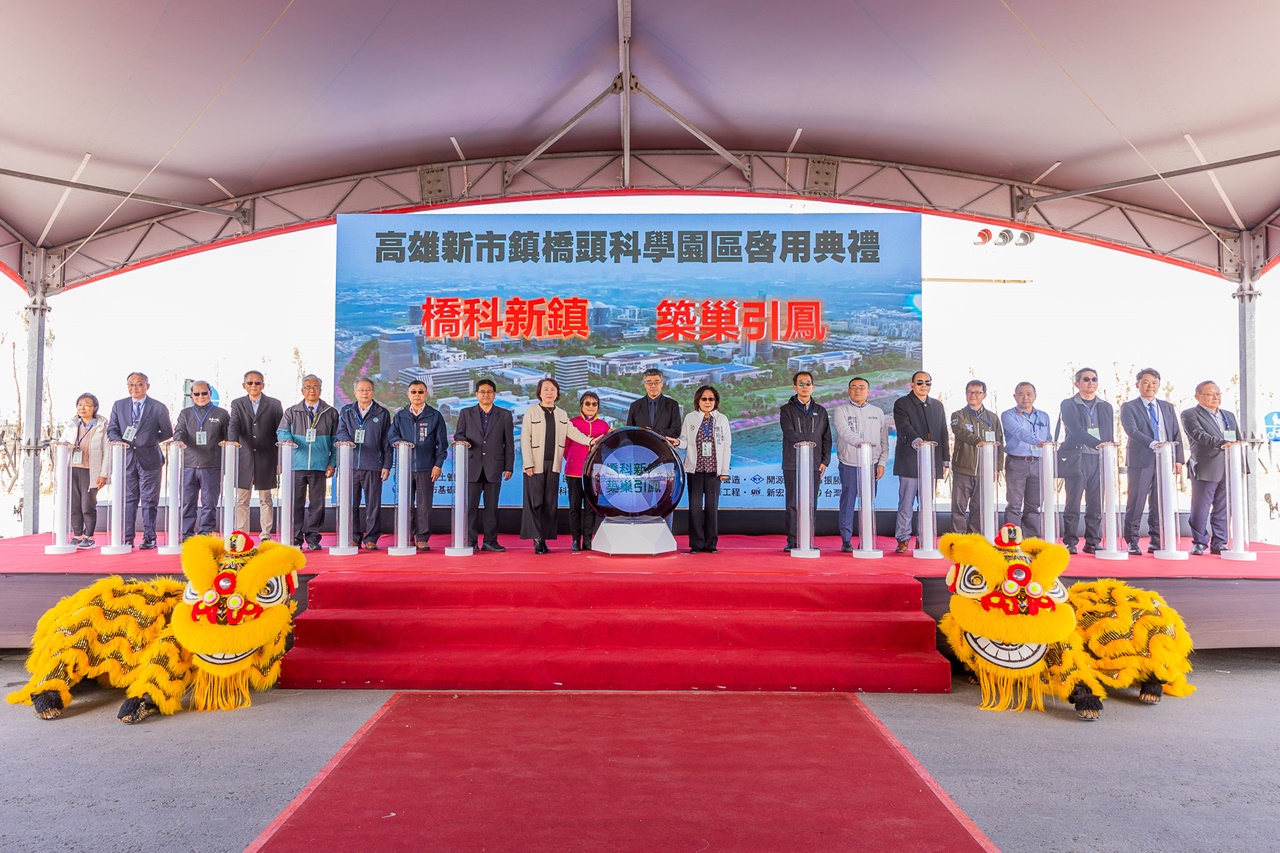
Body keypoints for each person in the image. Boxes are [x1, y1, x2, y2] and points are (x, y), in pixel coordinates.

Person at [520, 378, 599, 554]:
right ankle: (537, 539)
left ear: (557, 393)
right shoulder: (531, 412)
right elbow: (525, 439)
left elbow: (573, 433)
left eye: (553, 390)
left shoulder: (562, 414)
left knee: (549, 503)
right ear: (539, 392)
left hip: (553, 464)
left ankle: (544, 538)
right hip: (535, 464)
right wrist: (528, 463)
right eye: (546, 389)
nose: (549, 392)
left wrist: (590, 441)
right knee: (535, 502)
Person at [1119, 368, 1184, 555]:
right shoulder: (1129, 407)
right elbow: (1132, 430)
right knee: (1136, 501)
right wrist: (1153, 443)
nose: (1150, 386)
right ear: (1137, 384)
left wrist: (1178, 459)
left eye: (1154, 383)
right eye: (1146, 382)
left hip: (1165, 459)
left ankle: (1157, 540)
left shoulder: (1167, 406)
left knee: (1160, 502)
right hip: (1141, 459)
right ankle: (1132, 541)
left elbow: (1175, 432)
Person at [106, 372, 173, 550]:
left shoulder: (158, 407)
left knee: (149, 500)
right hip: (127, 458)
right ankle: (127, 537)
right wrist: (118, 441)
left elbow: (167, 432)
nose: (134, 388)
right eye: (131, 384)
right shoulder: (119, 405)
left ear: (147, 386)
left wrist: (148, 440)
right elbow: (112, 429)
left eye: (139, 384)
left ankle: (149, 537)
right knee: (129, 499)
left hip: (150, 459)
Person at [276, 375, 338, 551]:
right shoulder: (292, 412)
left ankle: (313, 538)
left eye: (315, 387)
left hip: (320, 465)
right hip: (296, 464)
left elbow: (336, 440)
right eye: (308, 387)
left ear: (321, 390)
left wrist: (332, 462)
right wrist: (287, 440)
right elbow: (282, 431)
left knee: (317, 504)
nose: (312, 390)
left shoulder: (330, 413)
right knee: (295, 503)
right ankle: (295, 538)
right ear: (302, 390)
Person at [387, 380, 449, 552]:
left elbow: (442, 444)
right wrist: (399, 442)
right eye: (413, 392)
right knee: (406, 503)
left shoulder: (435, 416)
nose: (417, 395)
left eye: (420, 392)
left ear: (426, 394)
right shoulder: (400, 416)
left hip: (426, 468)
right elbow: (392, 435)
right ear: (408, 394)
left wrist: (438, 465)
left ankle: (422, 538)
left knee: (424, 505)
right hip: (405, 468)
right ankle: (407, 536)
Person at [453, 378, 515, 552]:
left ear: (494, 394)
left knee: (491, 508)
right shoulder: (466, 413)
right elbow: (459, 434)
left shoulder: (504, 415)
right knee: (470, 507)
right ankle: (470, 541)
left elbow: (509, 443)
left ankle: (490, 542)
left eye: (489, 392)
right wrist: (463, 441)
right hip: (472, 466)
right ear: (476, 394)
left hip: (494, 466)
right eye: (482, 391)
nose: (486, 395)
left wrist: (509, 466)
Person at [1057, 367, 1114, 554]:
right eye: (1086, 379)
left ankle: (1093, 541)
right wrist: (1098, 444)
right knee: (1073, 502)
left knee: (1096, 503)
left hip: (1098, 459)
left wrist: (1107, 450)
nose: (1091, 382)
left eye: (1094, 379)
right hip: (1077, 457)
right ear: (1077, 383)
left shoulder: (1105, 406)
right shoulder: (1068, 404)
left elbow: (1109, 433)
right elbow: (1075, 429)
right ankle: (1070, 542)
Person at [892, 370, 949, 553]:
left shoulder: (937, 405)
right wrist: (918, 442)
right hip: (909, 461)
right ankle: (903, 538)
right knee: (906, 503)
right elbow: (904, 427)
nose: (924, 385)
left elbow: (943, 432)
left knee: (926, 504)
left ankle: (923, 539)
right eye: (920, 382)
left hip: (931, 461)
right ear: (912, 384)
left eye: (927, 382)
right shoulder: (902, 403)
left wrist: (945, 460)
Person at [1181, 381, 1240, 556]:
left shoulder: (1228, 415)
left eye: (1218, 394)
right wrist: (1223, 443)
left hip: (1229, 466)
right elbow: (1198, 435)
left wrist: (1242, 465)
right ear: (1197, 396)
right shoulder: (1190, 414)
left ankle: (1219, 542)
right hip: (1206, 466)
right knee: (1201, 507)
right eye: (1210, 394)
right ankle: (1199, 542)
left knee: (1223, 507)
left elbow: (1237, 439)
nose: (1215, 397)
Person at [334, 378, 393, 551]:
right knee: (351, 503)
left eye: (368, 390)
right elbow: (340, 431)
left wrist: (387, 465)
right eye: (361, 390)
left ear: (373, 392)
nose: (364, 393)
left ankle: (371, 538)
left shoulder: (382, 413)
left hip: (373, 465)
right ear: (355, 392)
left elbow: (387, 441)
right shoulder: (347, 411)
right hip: (350, 465)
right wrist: (346, 440)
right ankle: (354, 537)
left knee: (373, 504)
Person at [831, 376, 888, 552]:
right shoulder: (841, 410)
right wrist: (861, 443)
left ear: (868, 391)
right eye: (854, 387)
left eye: (862, 387)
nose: (858, 390)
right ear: (849, 391)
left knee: (868, 503)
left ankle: (866, 538)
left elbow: (884, 440)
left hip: (871, 464)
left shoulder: (877, 412)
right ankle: (846, 539)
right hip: (849, 463)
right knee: (847, 502)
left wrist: (882, 462)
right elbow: (843, 431)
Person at [227, 370, 284, 541]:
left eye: (257, 383)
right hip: (244, 458)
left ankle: (266, 535)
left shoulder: (274, 404)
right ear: (244, 385)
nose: (254, 386)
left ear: (263, 385)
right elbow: (233, 424)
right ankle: (241, 535)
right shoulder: (237, 403)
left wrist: (279, 460)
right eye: (250, 383)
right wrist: (232, 442)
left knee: (266, 499)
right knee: (241, 500)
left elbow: (280, 432)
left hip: (267, 458)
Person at [171, 380, 230, 541]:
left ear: (210, 393)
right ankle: (187, 535)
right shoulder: (185, 413)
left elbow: (229, 436)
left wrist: (229, 442)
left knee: (209, 504)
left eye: (204, 393)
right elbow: (179, 431)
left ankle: (205, 535)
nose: (201, 396)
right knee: (187, 503)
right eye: (196, 394)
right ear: (191, 395)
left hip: (212, 465)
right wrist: (178, 440)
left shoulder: (222, 414)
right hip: (188, 465)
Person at [780, 371, 832, 552]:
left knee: (810, 503)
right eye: (801, 383)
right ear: (795, 387)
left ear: (813, 387)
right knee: (793, 503)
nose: (805, 386)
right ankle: (793, 541)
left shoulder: (821, 411)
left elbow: (826, 438)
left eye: (808, 383)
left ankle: (808, 540)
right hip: (792, 464)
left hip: (814, 464)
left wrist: (825, 460)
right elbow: (789, 432)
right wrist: (803, 444)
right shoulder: (786, 410)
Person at [676, 385, 731, 553]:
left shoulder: (721, 419)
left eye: (711, 399)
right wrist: (677, 442)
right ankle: (697, 544)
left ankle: (711, 544)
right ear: (698, 401)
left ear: (716, 401)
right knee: (694, 508)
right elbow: (685, 441)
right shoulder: (690, 417)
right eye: (704, 399)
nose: (708, 402)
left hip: (714, 471)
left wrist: (724, 471)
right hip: (695, 470)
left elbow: (726, 446)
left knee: (712, 507)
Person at [949, 379, 1004, 535]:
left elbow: (1000, 443)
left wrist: (997, 467)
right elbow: (960, 431)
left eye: (977, 392)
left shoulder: (993, 418)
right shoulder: (958, 415)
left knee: (979, 508)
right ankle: (958, 540)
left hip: (985, 471)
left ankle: (975, 538)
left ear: (984, 395)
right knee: (958, 507)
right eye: (970, 392)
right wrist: (978, 441)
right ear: (966, 394)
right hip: (963, 469)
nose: (973, 395)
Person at [1000, 382, 1051, 537]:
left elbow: (1048, 438)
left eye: (1029, 394)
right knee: (1014, 504)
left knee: (1034, 505)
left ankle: (1030, 539)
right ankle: (1012, 541)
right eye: (1021, 394)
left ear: (1035, 396)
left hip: (1038, 463)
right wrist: (1037, 442)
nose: (1025, 397)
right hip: (1017, 463)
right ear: (1015, 396)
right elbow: (1018, 431)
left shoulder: (1044, 416)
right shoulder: (1008, 415)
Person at [61, 393, 111, 550]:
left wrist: (104, 474)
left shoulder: (102, 426)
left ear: (95, 408)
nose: (82, 408)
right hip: (72, 469)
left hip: (91, 470)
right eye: (80, 404)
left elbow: (107, 452)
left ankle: (89, 536)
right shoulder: (71, 425)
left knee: (88, 505)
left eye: (87, 405)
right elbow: (63, 443)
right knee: (74, 505)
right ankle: (77, 535)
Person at [563, 391, 610, 551]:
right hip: (574, 472)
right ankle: (576, 540)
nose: (591, 407)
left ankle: (588, 540)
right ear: (581, 405)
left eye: (594, 404)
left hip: (593, 474)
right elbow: (565, 447)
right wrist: (573, 460)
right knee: (574, 507)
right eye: (587, 403)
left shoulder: (603, 426)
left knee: (590, 508)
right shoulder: (572, 423)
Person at [626, 368, 681, 438]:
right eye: (649, 383)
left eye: (656, 382)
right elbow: (629, 431)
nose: (653, 386)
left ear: (662, 383)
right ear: (645, 384)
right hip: (641, 444)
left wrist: (654, 433)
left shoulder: (672, 405)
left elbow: (676, 431)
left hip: (663, 444)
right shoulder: (635, 406)